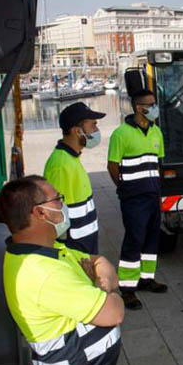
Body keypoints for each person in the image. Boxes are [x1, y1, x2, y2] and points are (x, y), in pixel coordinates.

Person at [0, 175, 123, 365]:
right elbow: (115, 311)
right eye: (58, 200)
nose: (63, 205)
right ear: (41, 213)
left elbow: (102, 262)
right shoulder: (42, 273)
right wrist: (101, 287)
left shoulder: (51, 248)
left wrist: (100, 279)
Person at [107, 89, 168, 310]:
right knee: (134, 240)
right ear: (138, 107)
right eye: (150, 105)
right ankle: (128, 289)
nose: (154, 108)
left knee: (152, 239)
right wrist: (124, 188)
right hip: (133, 199)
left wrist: (156, 188)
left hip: (152, 196)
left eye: (154, 104)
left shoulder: (156, 132)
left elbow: (158, 163)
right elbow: (112, 166)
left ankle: (146, 279)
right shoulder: (120, 134)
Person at [43, 102, 106, 254]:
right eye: (93, 125)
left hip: (85, 244)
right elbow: (56, 217)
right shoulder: (61, 165)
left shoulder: (72, 158)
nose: (97, 131)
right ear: (78, 131)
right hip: (75, 250)